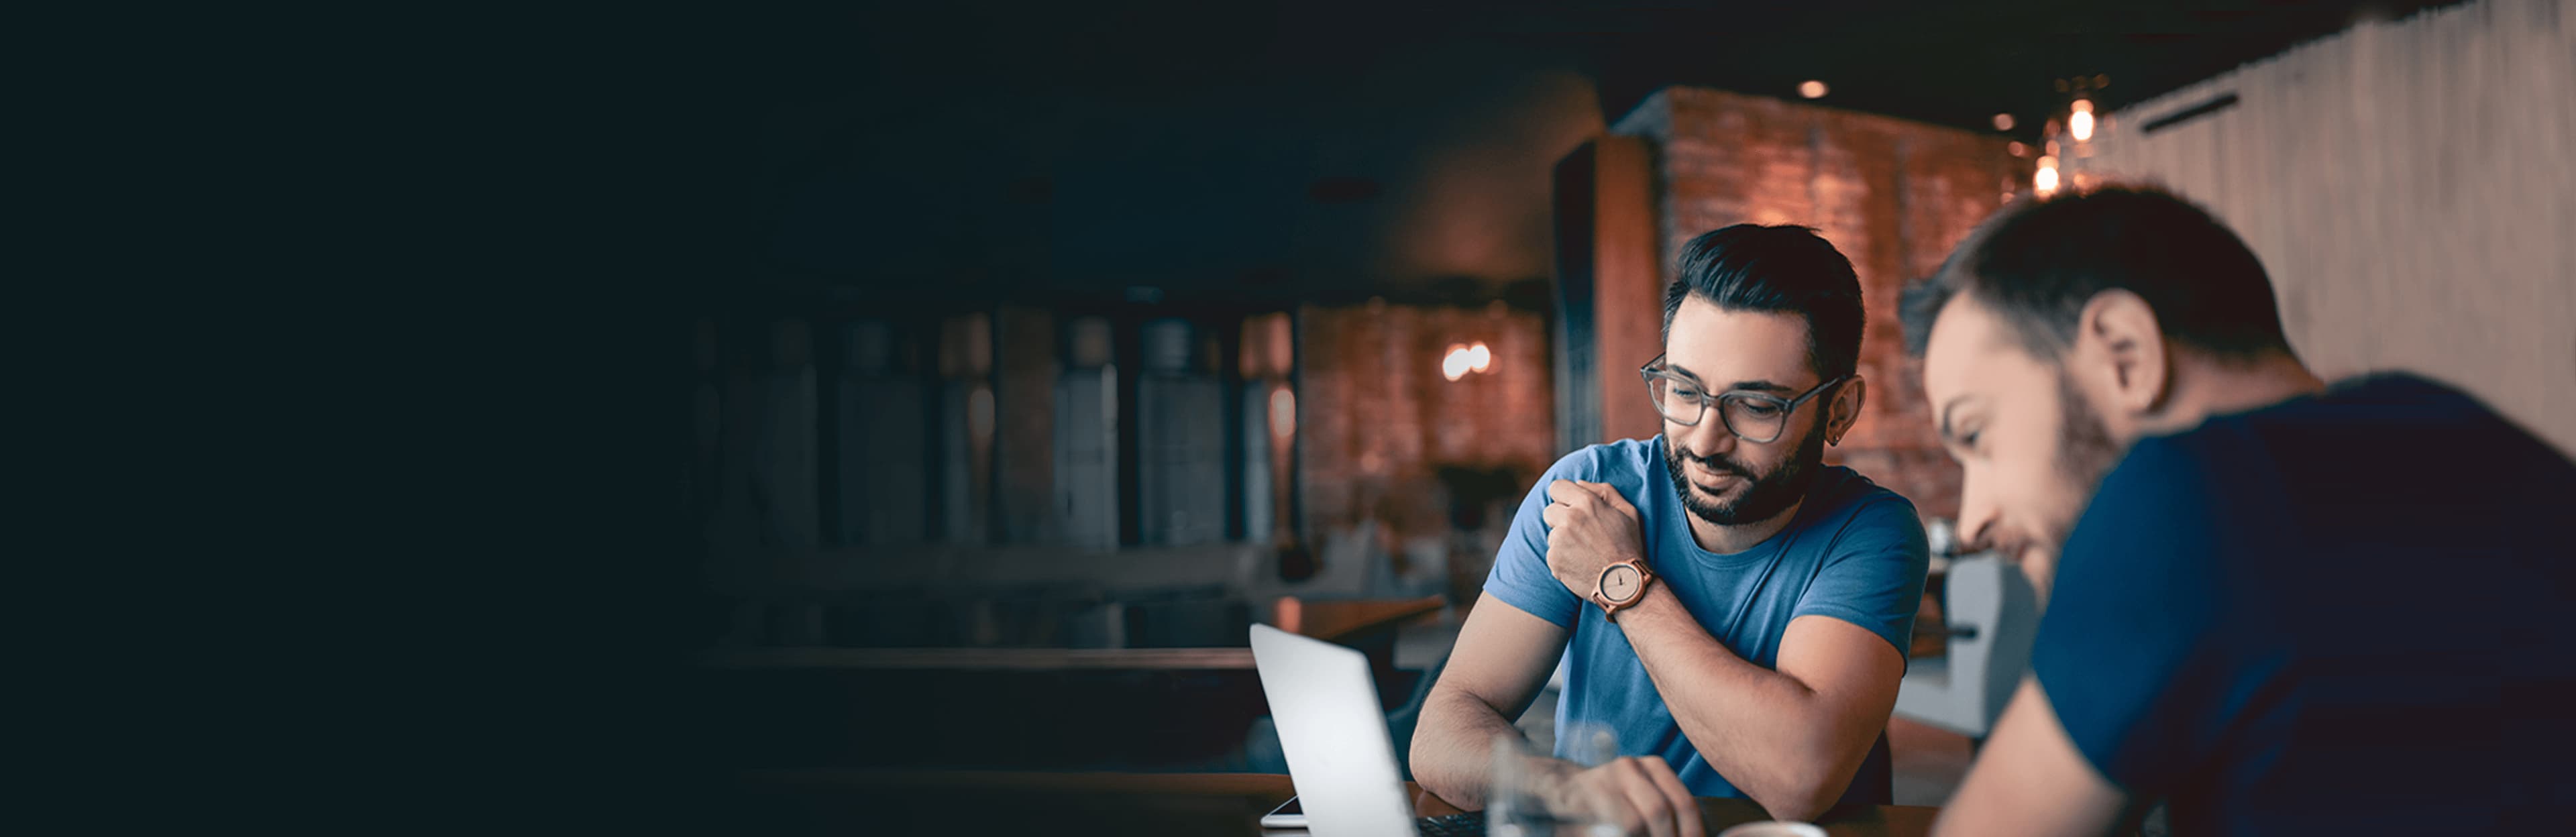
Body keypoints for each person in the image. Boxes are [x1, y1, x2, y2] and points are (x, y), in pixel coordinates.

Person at [1902, 184, 2576, 835]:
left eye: (1976, 435)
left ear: (2124, 354)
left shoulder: (2183, 494)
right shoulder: (2478, 436)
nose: (1971, 523)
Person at [1410, 224, 1931, 836]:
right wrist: (1565, 786)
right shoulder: (1587, 491)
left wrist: (1621, 583)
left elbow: (1800, 776)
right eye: (1684, 391)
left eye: (1757, 406)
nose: (1706, 440)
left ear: (1838, 409)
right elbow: (1444, 729)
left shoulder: (1871, 531)